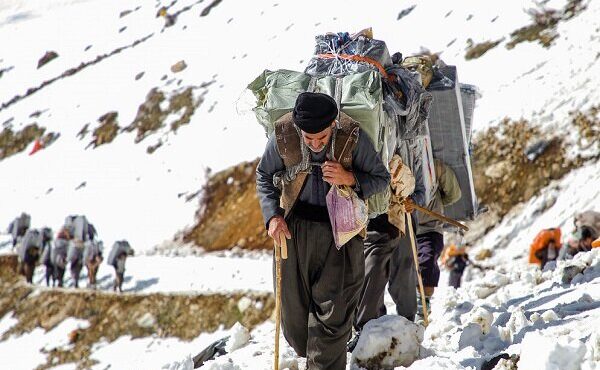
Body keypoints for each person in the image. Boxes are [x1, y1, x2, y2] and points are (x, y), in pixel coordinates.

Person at [256, 92, 390, 370]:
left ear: (333, 125)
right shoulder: (284, 134)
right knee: (294, 320)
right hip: (295, 232)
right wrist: (272, 217)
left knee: (332, 314)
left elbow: (381, 179)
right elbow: (264, 176)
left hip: (340, 235)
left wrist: (349, 177)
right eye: (309, 139)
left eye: (322, 138)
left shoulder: (352, 135)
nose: (315, 144)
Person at [353, 140, 425, 340]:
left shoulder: (410, 153)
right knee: (372, 271)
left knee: (404, 272)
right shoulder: (366, 151)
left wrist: (414, 202)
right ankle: (371, 324)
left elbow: (420, 190)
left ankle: (408, 321)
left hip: (402, 221)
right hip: (373, 224)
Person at [414, 159, 461, 321]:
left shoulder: (436, 167)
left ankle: (423, 307)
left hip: (429, 228)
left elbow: (454, 193)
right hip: (405, 230)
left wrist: (435, 203)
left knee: (426, 262)